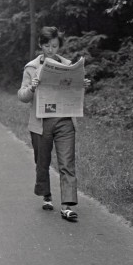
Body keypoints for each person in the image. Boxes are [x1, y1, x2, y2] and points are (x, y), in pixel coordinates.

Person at [18, 26, 90, 222]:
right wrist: (32, 88)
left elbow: (73, 90)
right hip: (41, 123)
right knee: (42, 162)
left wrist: (82, 84)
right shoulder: (31, 67)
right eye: (47, 46)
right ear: (41, 45)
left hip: (65, 121)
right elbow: (22, 96)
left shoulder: (68, 65)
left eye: (55, 46)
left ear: (59, 46)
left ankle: (67, 206)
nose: (51, 50)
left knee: (67, 163)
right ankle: (46, 195)